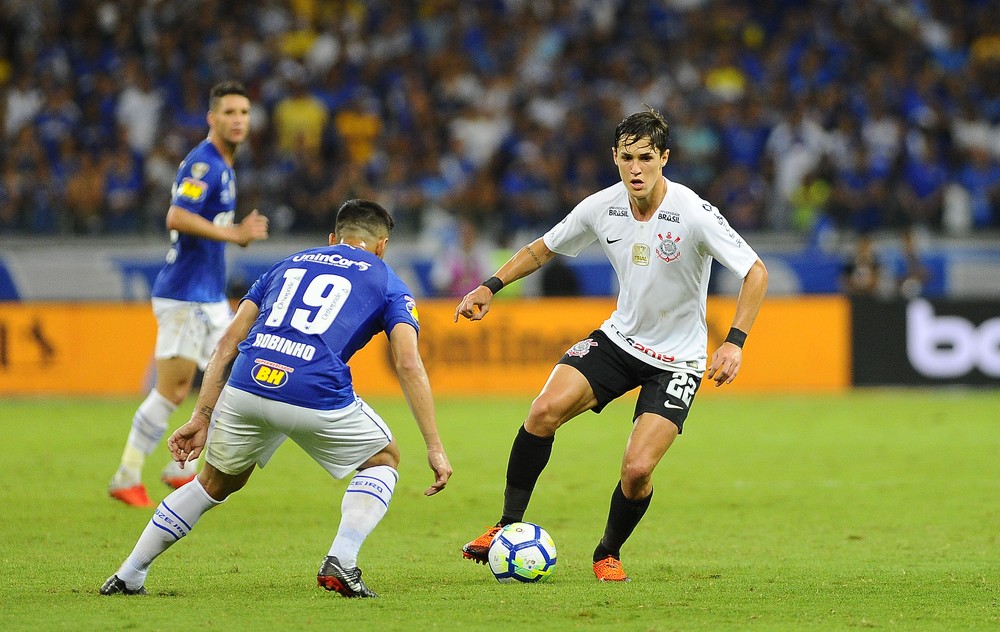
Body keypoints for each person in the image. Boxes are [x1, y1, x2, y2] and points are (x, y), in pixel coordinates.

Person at [454, 109, 768, 582]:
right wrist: (489, 286)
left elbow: (755, 272)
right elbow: (543, 248)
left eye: (646, 157)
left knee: (637, 469)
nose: (636, 168)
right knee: (542, 412)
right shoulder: (602, 206)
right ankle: (505, 525)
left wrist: (735, 343)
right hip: (619, 340)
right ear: (615, 158)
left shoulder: (692, 212)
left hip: (677, 361)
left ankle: (607, 550)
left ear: (664, 158)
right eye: (627, 158)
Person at [101, 199, 452, 598]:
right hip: (313, 389)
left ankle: (128, 573)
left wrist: (202, 416)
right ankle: (342, 559)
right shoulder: (389, 280)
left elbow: (228, 342)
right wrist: (435, 447)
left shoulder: (288, 263)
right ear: (382, 245)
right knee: (383, 458)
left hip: (249, 383)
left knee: (213, 483)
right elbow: (408, 363)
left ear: (333, 238)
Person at [108, 81, 270, 507]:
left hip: (208, 296)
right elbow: (177, 215)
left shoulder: (226, 165)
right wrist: (233, 234)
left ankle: (180, 469)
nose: (238, 120)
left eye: (244, 113)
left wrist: (231, 236)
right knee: (173, 390)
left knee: (228, 374)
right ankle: (127, 475)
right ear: (212, 118)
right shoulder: (205, 165)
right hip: (185, 295)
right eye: (230, 112)